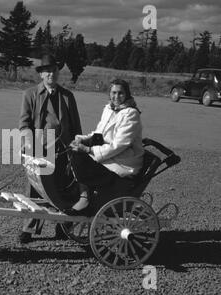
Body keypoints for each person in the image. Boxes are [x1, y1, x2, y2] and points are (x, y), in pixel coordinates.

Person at [18, 54, 84, 244]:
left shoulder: (68, 96)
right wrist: (29, 143)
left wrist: (77, 146)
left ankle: (63, 227)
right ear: (41, 74)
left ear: (57, 72)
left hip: (63, 149)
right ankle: (28, 229)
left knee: (65, 188)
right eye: (46, 71)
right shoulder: (29, 94)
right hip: (39, 148)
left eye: (54, 70)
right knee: (35, 190)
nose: (50, 74)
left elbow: (76, 126)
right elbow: (23, 124)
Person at [68, 79, 144, 204]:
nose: (116, 96)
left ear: (127, 94)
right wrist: (82, 139)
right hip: (109, 157)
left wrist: (88, 149)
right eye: (113, 93)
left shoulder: (131, 114)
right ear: (109, 94)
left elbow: (119, 145)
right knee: (73, 151)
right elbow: (99, 133)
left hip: (122, 163)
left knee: (79, 157)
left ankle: (84, 196)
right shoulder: (109, 109)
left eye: (121, 93)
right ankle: (79, 191)